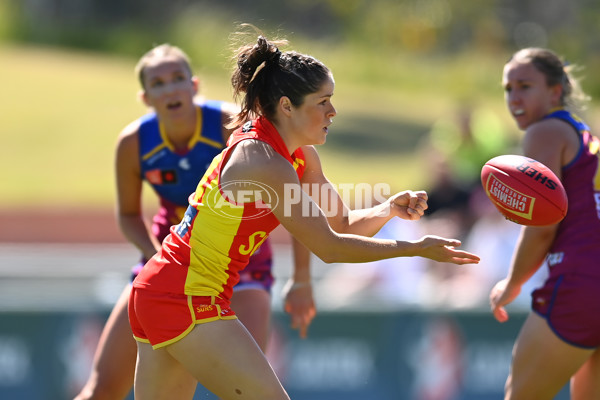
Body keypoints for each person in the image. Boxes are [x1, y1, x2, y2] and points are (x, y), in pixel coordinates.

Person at [128, 26, 480, 400]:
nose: (333, 111)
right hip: (185, 296)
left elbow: (341, 224)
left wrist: (387, 209)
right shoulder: (265, 162)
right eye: (323, 101)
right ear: (286, 106)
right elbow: (331, 249)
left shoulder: (297, 155)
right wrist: (415, 248)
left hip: (162, 290)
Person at [74, 43, 316, 400]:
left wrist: (302, 278)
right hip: (169, 265)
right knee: (103, 388)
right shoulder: (134, 143)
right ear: (145, 97)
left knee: (247, 391)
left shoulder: (233, 126)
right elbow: (128, 215)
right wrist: (155, 255)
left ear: (194, 84)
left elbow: (298, 203)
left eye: (177, 79)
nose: (170, 89)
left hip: (242, 268)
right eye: (158, 83)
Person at [489, 47, 600, 400]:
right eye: (508, 88)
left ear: (555, 91)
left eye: (525, 86)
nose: (514, 97)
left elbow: (542, 226)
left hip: (581, 283)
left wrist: (512, 283)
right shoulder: (585, 136)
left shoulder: (545, 131)